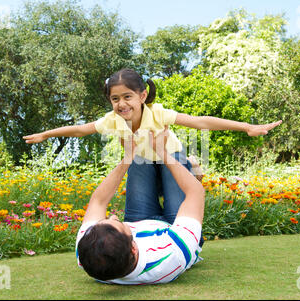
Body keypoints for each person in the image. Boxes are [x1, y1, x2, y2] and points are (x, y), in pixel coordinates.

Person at [23, 68, 282, 224]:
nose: (121, 103)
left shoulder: (157, 113)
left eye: (127, 96)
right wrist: (47, 134)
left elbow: (200, 122)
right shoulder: (112, 120)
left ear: (142, 96)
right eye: (115, 98)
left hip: (171, 159)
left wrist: (246, 126)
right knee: (138, 219)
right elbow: (81, 129)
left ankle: (190, 165)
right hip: (142, 163)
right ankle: (192, 165)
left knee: (174, 215)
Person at [76, 129, 205, 284]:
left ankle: (183, 169)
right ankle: (189, 170)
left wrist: (128, 156)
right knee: (173, 156)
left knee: (140, 157)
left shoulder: (88, 252)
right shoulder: (172, 255)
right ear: (133, 249)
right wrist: (162, 152)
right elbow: (195, 193)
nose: (114, 216)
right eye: (118, 223)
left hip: (140, 220)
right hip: (174, 229)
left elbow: (98, 201)